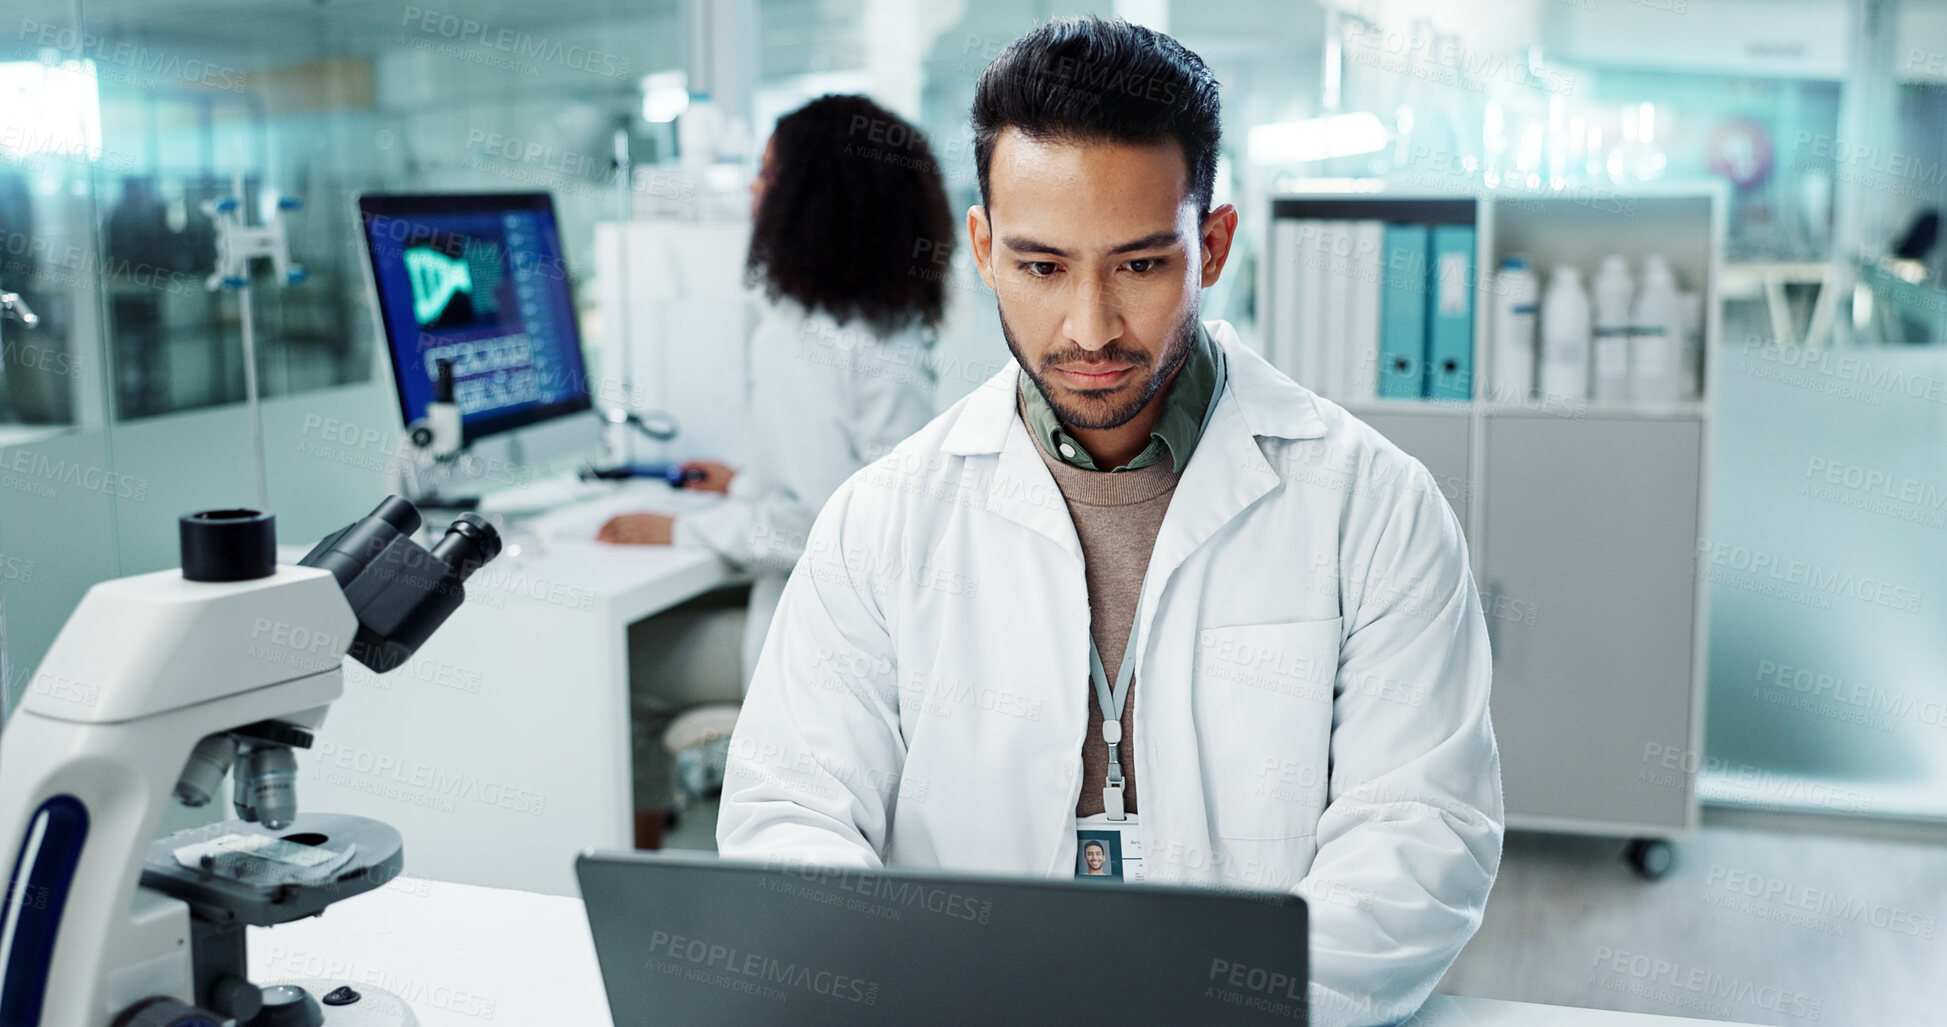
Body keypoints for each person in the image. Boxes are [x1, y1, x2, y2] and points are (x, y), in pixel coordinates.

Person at [717, 18, 1502, 1027]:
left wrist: (1222, 1006)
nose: (1090, 327)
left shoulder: (1373, 507)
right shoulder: (882, 521)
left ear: (1211, 245)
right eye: (1043, 268)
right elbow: (791, 819)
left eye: (1138, 265)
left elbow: (1422, 838)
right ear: (985, 250)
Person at [597, 96, 952, 839]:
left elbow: (816, 526)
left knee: (616, 664)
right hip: (895, 641)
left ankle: (639, 861)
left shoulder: (799, 339)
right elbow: (861, 480)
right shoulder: (887, 327)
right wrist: (744, 481)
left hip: (823, 649)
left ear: (810, 198)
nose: (754, 194)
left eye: (766, 174)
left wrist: (683, 529)